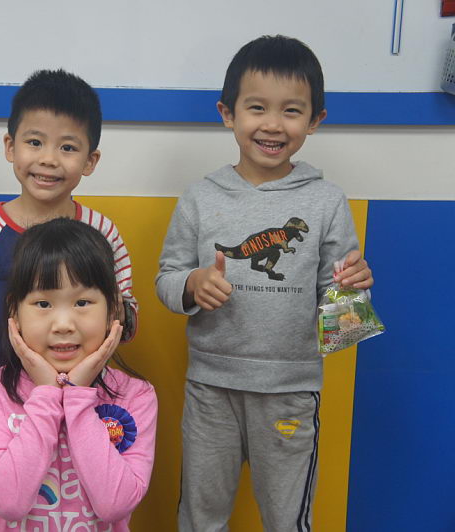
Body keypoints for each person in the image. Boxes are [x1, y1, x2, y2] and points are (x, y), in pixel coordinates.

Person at [155, 35, 374, 532]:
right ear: (227, 113)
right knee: (200, 518)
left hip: (290, 391)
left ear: (315, 120)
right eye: (257, 108)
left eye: (291, 111)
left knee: (286, 521)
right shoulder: (200, 197)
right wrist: (192, 284)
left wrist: (353, 291)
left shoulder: (327, 201)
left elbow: (344, 327)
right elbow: (166, 280)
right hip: (210, 388)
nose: (273, 124)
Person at [0, 218, 157, 531]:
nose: (64, 324)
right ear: (14, 312)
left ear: (112, 310)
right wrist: (48, 395)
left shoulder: (136, 395)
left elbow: (114, 506)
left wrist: (77, 397)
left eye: (82, 302)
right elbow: (9, 504)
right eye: (43, 303)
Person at [0, 69, 138, 369]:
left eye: (68, 148)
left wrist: (121, 311)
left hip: (85, 386)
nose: (48, 159)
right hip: (7, 383)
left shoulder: (102, 231)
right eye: (35, 142)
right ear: (11, 147)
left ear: (90, 161)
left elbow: (126, 312)